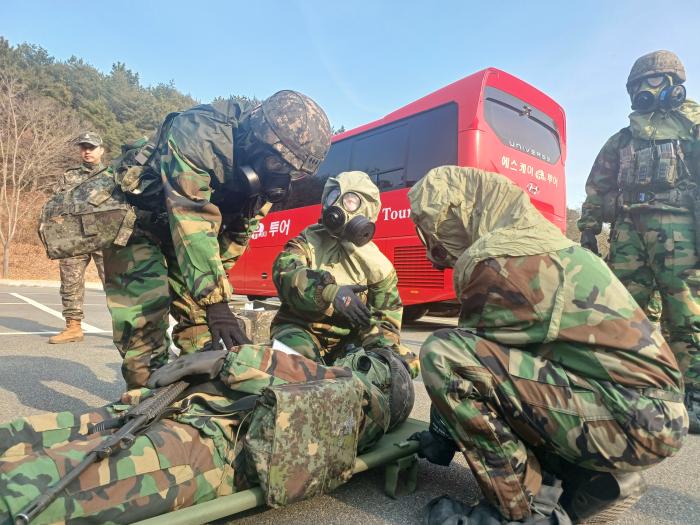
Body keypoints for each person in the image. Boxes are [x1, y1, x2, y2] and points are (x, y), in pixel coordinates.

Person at [408, 166, 688, 524]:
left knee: (443, 354)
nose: (435, 244)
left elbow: (467, 366)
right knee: (508, 377)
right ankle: (593, 481)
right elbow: (518, 367)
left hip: (628, 420)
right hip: (647, 416)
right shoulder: (549, 249)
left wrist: (440, 436)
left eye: (435, 227)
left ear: (459, 218)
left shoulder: (500, 264)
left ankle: (527, 511)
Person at [0, 343, 414, 524]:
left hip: (206, 452)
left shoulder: (362, 403)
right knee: (24, 434)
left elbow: (283, 371)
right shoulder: (339, 388)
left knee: (33, 484)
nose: (356, 359)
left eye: (370, 361)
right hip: (175, 415)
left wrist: (227, 362)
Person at [104, 91, 331, 388]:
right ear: (255, 139)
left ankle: (193, 398)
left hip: (185, 235)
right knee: (145, 324)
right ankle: (142, 403)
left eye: (295, 173)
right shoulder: (201, 134)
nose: (284, 178)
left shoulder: (267, 179)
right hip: (137, 219)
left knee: (203, 328)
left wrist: (212, 302)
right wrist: (216, 302)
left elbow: (236, 236)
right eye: (279, 166)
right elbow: (192, 216)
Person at [577, 50, 700, 433]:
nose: (648, 90)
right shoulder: (624, 138)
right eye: (641, 85)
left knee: (687, 312)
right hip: (629, 231)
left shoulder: (693, 128)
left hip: (681, 229)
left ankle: (692, 392)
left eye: (656, 81)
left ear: (674, 86)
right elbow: (598, 185)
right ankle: (633, 385)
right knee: (626, 311)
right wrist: (588, 228)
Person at [270, 170, 418, 374]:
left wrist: (380, 351)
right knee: (299, 367)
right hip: (301, 328)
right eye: (334, 197)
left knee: (400, 364)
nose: (337, 206)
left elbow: (385, 325)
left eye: (349, 201)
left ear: (366, 211)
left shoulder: (378, 267)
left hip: (349, 339)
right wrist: (329, 291)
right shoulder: (308, 241)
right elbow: (285, 272)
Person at [49, 132, 106, 344]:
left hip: (103, 237)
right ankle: (73, 327)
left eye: (91, 147)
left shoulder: (112, 175)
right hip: (75, 237)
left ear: (101, 149)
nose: (87, 151)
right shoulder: (69, 176)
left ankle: (124, 329)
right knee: (70, 282)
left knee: (115, 284)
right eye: (83, 147)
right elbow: (56, 204)